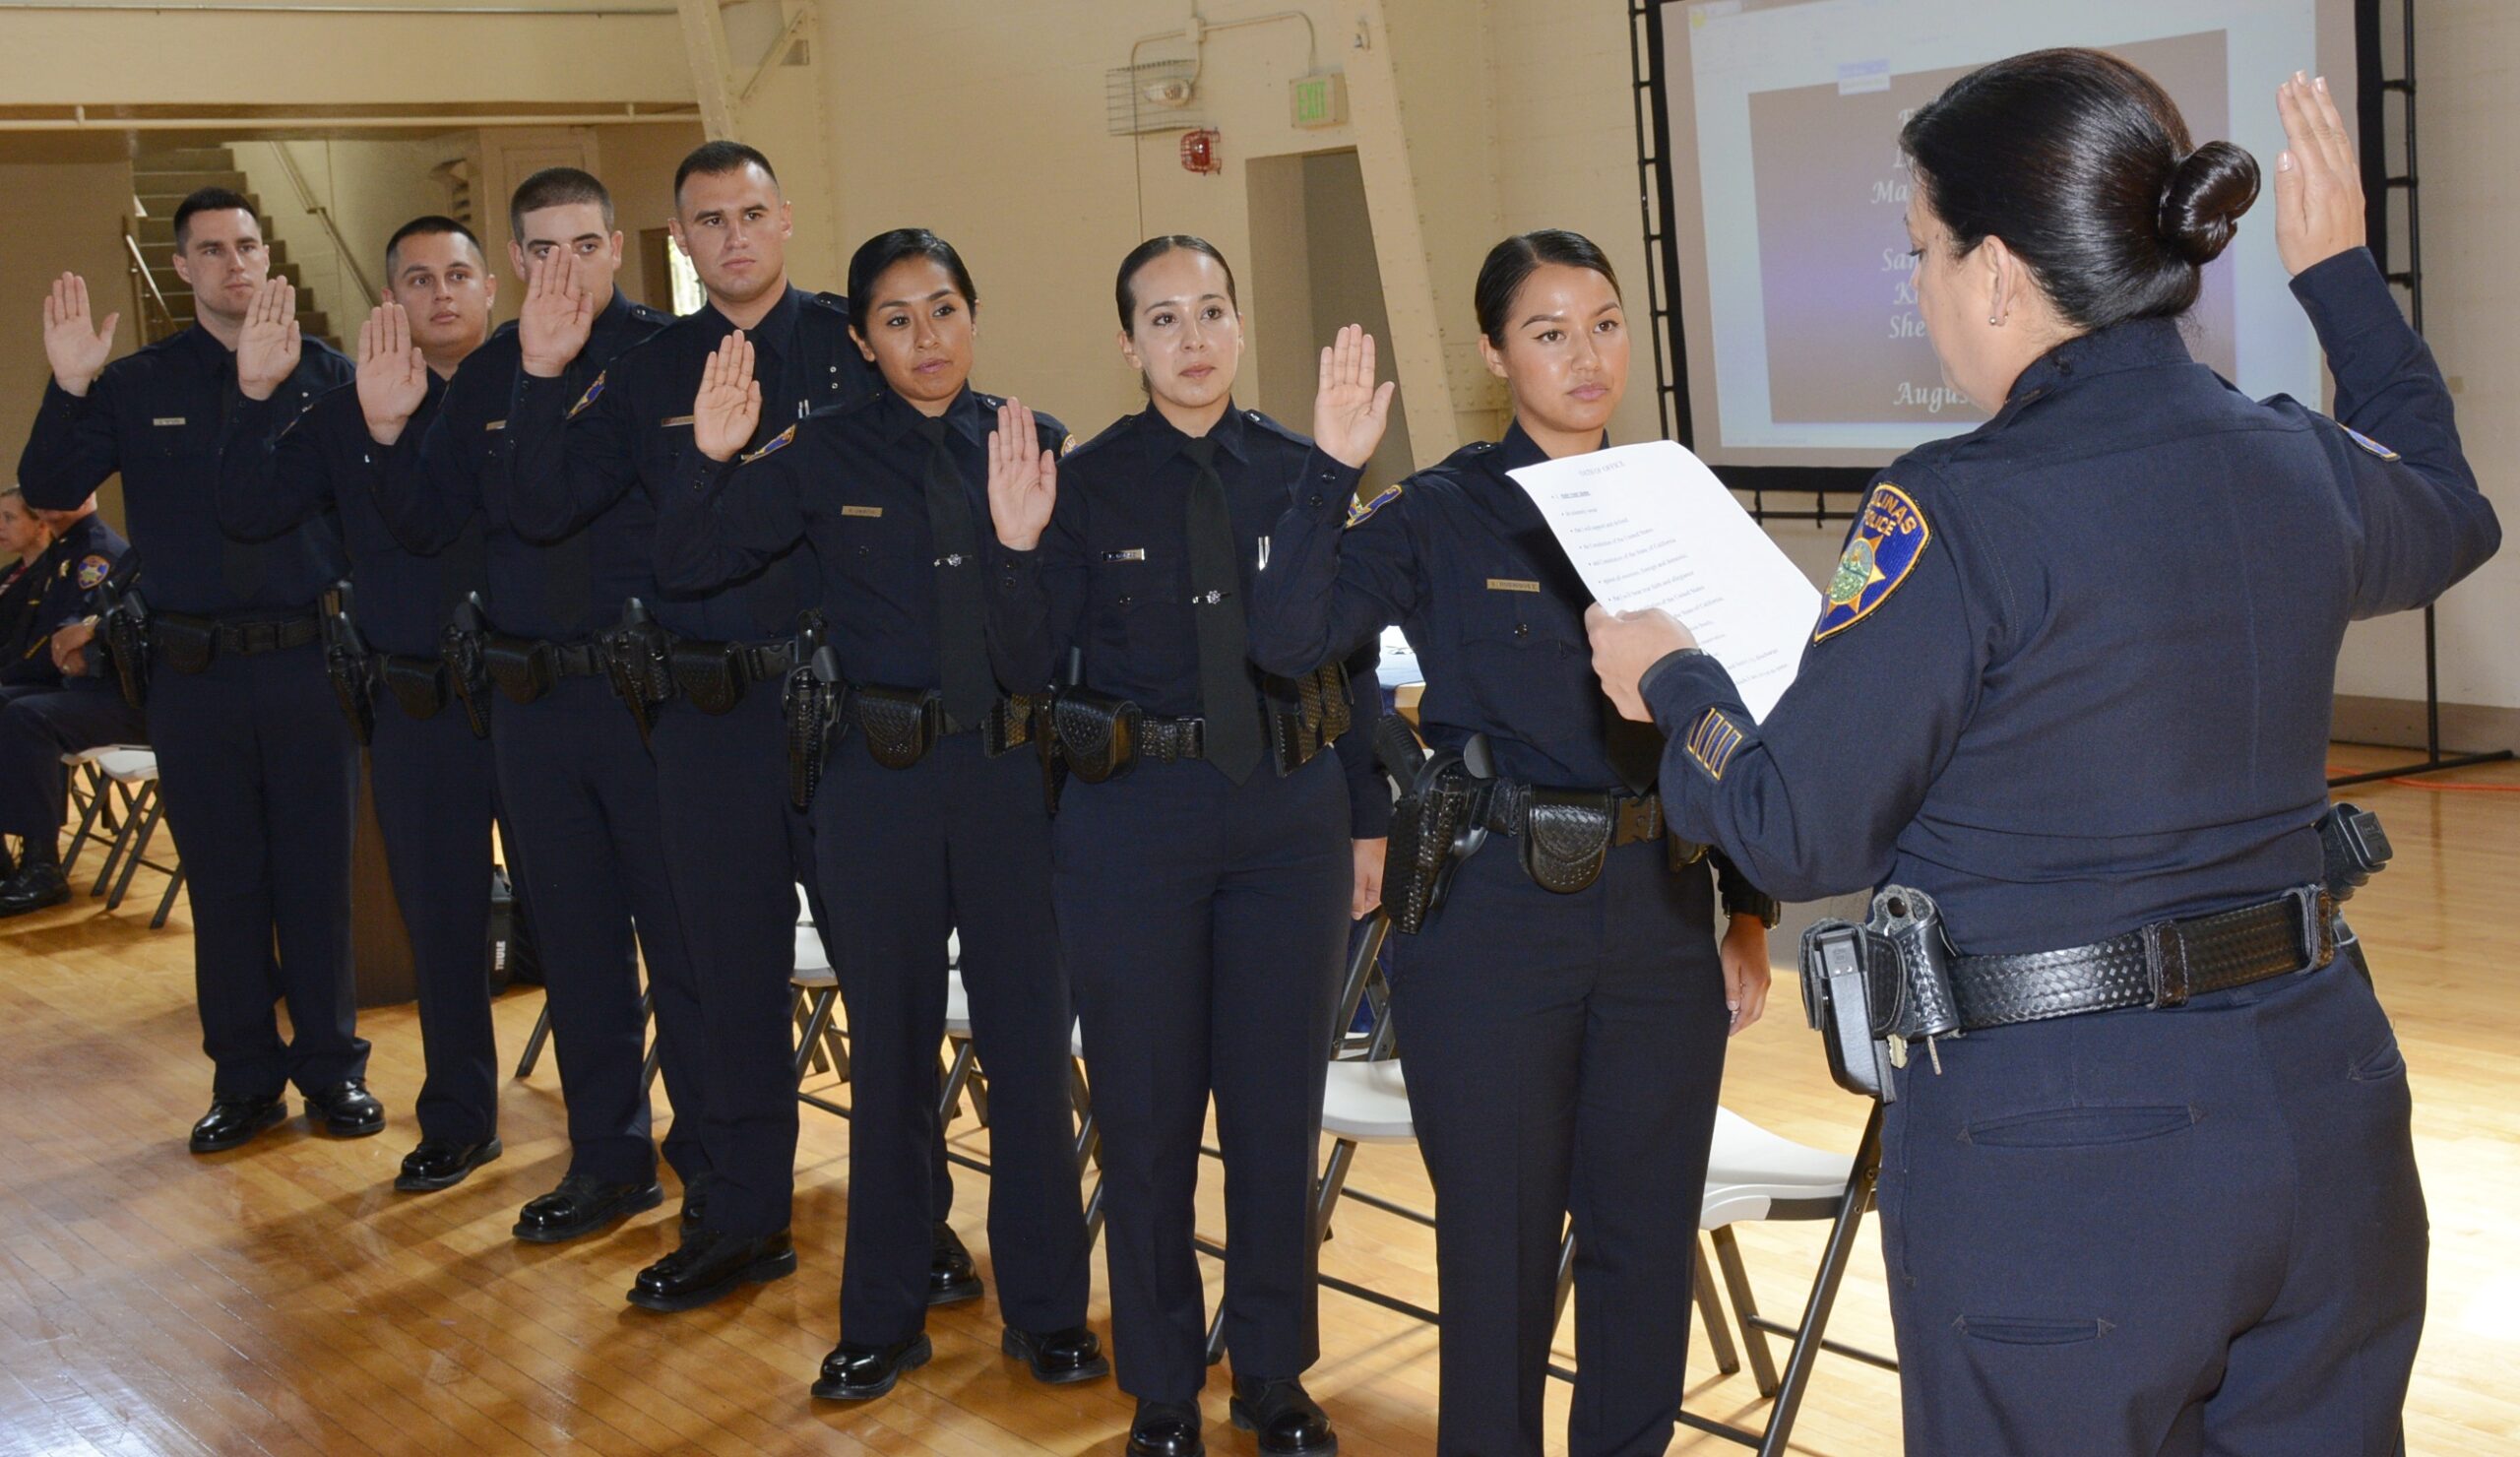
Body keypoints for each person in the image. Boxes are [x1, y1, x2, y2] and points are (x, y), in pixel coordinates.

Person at [1586, 62, 2498, 1455]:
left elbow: (1791, 830)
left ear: (1999, 272)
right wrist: (2339, 275)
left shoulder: (1956, 508)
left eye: (1922, 255)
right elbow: (2451, 508)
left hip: (2067, 1171)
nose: (1924, 289)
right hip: (2327, 1118)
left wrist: (1675, 680)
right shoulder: (2289, 460)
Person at [1245, 235, 1777, 1456]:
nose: (1584, 356)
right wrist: (1327, 469)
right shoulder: (1442, 509)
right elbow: (1285, 640)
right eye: (1548, 332)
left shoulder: (1673, 496)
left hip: (1657, 913)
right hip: (1489, 920)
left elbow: (1736, 709)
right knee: (1498, 1252)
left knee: (1644, 1246)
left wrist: (1745, 911)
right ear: (1495, 352)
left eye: (1602, 324)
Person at [660, 227, 1101, 1402]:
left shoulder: (1032, 444)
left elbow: (1041, 651)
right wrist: (709, 460)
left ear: (973, 314)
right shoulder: (817, 453)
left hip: (1010, 786)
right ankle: (883, 1317)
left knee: (1026, 1054)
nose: (927, 339)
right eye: (897, 319)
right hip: (877, 785)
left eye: (944, 309)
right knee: (892, 1058)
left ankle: (1049, 1310)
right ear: (860, 341)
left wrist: (1017, 547)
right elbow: (687, 563)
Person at [981, 235, 1388, 1457]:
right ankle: (1161, 1386)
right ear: (1128, 343)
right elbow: (1018, 666)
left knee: (1272, 1117)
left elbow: (1347, 658)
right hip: (1131, 826)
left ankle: (1273, 1375)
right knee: (1149, 1121)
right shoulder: (1085, 481)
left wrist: (1366, 812)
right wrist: (1011, 548)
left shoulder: (1302, 470)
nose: (1193, 337)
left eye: (1210, 310)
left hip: (1287, 822)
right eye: (1163, 318)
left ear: (1237, 322)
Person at [500, 142, 875, 1311]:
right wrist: (543, 374)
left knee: (882, 975)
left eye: (752, 213)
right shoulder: (653, 364)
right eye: (707, 220)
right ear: (680, 238)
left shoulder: (850, 345)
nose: (734, 237)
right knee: (722, 986)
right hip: (707, 716)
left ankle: (907, 1227)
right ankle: (742, 1216)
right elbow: (542, 503)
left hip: (839, 711)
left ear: (788, 217)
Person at [363, 168, 698, 1242]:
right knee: (581, 944)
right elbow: (423, 524)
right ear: (516, 262)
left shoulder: (670, 358)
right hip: (531, 706)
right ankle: (610, 1159)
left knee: (685, 940)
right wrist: (383, 431)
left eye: (586, 245)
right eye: (543, 250)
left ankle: (719, 1151)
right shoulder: (489, 377)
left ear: (614, 247)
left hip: (648, 701)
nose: (566, 268)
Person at [18, 188, 376, 1154]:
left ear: (271, 259)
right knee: (225, 886)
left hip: (306, 663)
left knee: (316, 883)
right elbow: (50, 488)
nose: (235, 264)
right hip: (193, 675)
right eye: (212, 250)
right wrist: (69, 388)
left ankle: (333, 1072)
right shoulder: (135, 383)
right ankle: (247, 1080)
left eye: (249, 246)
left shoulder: (329, 378)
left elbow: (375, 523)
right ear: (181, 268)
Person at [216, 216, 510, 1193]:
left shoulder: (543, 396)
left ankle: (617, 1140)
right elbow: (249, 509)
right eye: (418, 279)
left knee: (593, 926)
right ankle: (461, 1118)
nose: (441, 293)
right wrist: (254, 394)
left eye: (459, 274)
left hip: (550, 705)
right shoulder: (347, 413)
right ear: (393, 300)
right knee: (442, 921)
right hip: (422, 708)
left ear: (490, 288)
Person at [0, 488, 140, 916]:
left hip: (118, 695)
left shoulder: (96, 551)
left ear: (88, 493)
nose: (46, 496)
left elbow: (82, 640)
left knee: (29, 717)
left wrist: (80, 641)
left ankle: (44, 870)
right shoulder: (65, 550)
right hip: (77, 688)